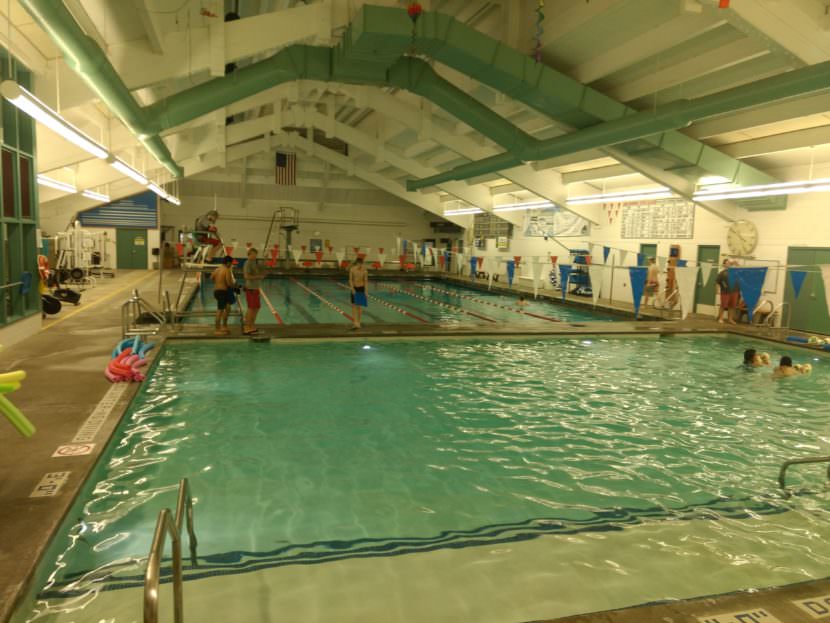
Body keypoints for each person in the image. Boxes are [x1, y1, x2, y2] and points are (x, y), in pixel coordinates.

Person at [211, 255, 235, 336]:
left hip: (217, 291)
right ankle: (217, 329)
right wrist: (235, 286)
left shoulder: (217, 269)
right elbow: (229, 283)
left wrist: (218, 282)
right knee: (220, 310)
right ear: (228, 263)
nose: (231, 265)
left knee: (228, 308)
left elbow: (211, 277)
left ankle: (224, 326)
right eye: (231, 263)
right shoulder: (227, 270)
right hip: (222, 292)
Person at [242, 247, 264, 335]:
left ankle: (251, 325)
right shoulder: (247, 263)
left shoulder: (254, 262)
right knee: (251, 308)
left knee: (256, 308)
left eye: (256, 254)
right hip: (251, 289)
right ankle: (247, 327)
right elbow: (246, 276)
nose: (255, 256)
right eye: (253, 254)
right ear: (249, 254)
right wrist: (258, 277)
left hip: (255, 288)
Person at [716, 259, 739, 324]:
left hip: (735, 291)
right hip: (725, 291)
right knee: (723, 305)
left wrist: (736, 263)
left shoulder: (735, 272)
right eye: (727, 263)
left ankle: (730, 319)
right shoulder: (722, 273)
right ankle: (720, 318)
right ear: (724, 265)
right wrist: (717, 290)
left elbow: (741, 270)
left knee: (732, 306)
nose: (729, 264)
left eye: (730, 263)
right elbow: (717, 282)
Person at [348, 256, 368, 330]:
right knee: (353, 306)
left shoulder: (365, 271)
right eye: (359, 264)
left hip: (361, 289)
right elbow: (350, 280)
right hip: (354, 288)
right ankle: (354, 322)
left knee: (359, 306)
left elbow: (365, 281)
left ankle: (358, 322)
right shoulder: (352, 269)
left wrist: (366, 291)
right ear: (357, 263)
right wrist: (352, 289)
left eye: (362, 264)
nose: (361, 265)